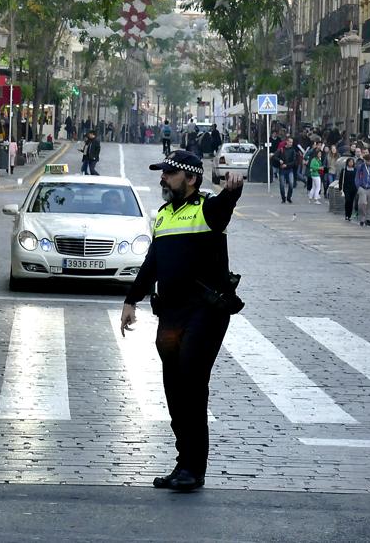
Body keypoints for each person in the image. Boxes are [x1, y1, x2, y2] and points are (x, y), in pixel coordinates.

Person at [119, 151, 244, 493]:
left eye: (170, 173)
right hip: (171, 312)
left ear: (190, 179)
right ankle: (183, 462)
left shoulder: (207, 209)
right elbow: (152, 263)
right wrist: (132, 300)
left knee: (191, 383)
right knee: (174, 389)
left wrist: (232, 191)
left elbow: (223, 209)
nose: (163, 178)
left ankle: (194, 468)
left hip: (205, 312)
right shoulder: (162, 216)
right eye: (163, 172)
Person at [355, 153, 370, 227]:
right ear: (365, 160)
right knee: (362, 203)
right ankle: (362, 218)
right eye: (367, 161)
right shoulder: (361, 167)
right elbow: (357, 177)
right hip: (362, 187)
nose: (369, 162)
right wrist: (358, 186)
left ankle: (368, 219)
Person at [275, 137, 298, 204]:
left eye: (292, 142)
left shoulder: (293, 150)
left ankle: (289, 197)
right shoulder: (281, 149)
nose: (291, 143)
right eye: (290, 142)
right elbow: (275, 156)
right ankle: (283, 198)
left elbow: (294, 161)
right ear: (286, 142)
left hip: (289, 169)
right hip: (282, 170)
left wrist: (287, 165)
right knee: (282, 185)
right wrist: (279, 160)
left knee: (291, 184)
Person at [340, 157, 358, 222]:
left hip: (353, 188)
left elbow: (357, 179)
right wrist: (340, 188)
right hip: (346, 188)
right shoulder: (344, 170)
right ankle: (346, 214)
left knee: (351, 202)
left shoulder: (355, 170)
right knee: (348, 200)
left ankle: (349, 215)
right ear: (347, 163)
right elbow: (341, 179)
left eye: (352, 162)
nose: (351, 163)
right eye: (350, 162)